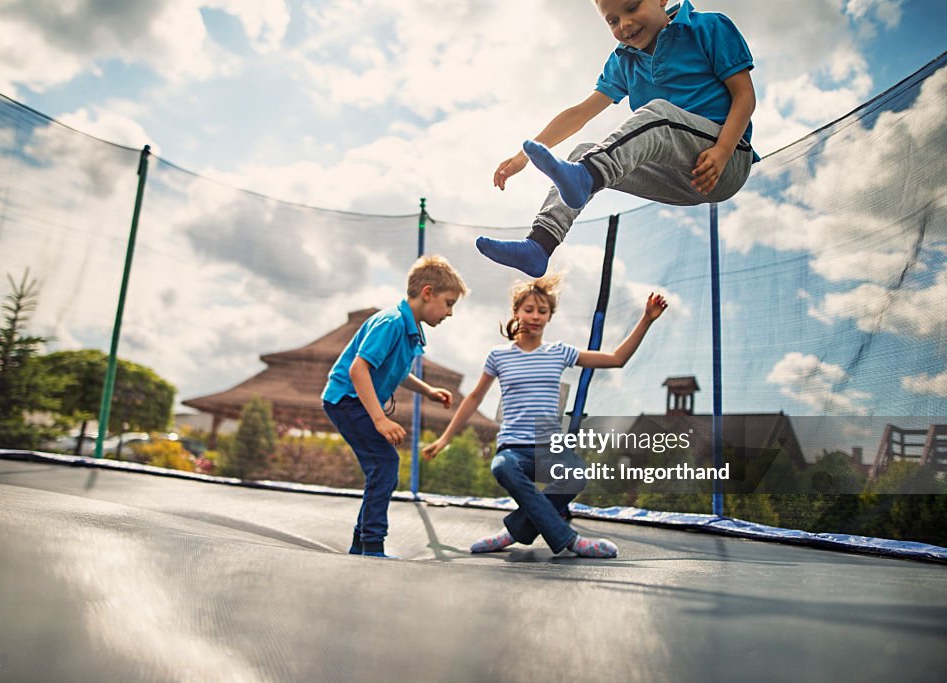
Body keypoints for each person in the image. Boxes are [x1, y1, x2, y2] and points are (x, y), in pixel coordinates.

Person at [477, 0, 758, 277]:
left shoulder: (707, 27)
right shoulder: (624, 60)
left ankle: (586, 176)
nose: (625, 24)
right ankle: (538, 246)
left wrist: (723, 150)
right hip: (677, 179)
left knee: (657, 115)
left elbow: (744, 95)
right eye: (612, 20)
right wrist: (521, 157)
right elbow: (580, 113)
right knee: (583, 153)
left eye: (633, 7)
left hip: (727, 160)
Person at [422, 275, 667, 557]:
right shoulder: (498, 356)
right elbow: (474, 398)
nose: (535, 316)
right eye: (529, 310)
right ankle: (571, 541)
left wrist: (647, 319)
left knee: (576, 474)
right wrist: (444, 439)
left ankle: (514, 531)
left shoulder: (558, 353)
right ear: (516, 312)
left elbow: (616, 359)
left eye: (542, 311)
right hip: (513, 448)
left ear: (550, 316)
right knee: (502, 467)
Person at [322, 255, 468, 558]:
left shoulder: (408, 328)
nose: (450, 313)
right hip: (346, 400)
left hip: (354, 402)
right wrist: (379, 420)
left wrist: (427, 390)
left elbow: (397, 370)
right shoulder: (390, 323)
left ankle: (361, 543)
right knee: (385, 465)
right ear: (427, 293)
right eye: (449, 303)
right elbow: (358, 370)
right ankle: (371, 545)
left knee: (382, 467)